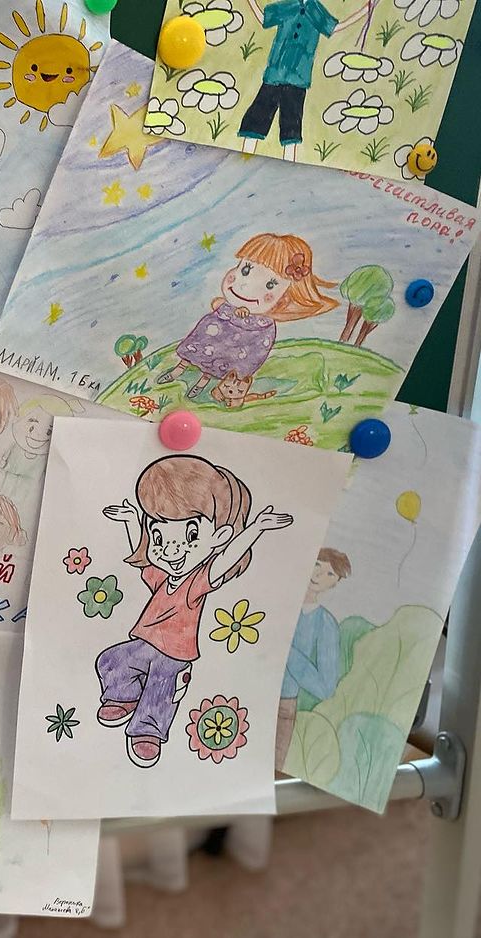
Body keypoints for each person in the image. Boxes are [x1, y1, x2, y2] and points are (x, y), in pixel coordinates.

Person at [98, 455, 293, 768]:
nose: (170, 550)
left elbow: (225, 561)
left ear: (219, 537)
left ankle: (148, 732)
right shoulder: (162, 578)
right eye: (159, 537)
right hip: (145, 644)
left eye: (189, 536)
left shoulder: (196, 583)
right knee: (111, 660)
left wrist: (255, 529)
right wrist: (131, 520)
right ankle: (124, 697)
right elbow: (143, 555)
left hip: (175, 655)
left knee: (160, 688)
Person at [157, 233, 337, 400]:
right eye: (245, 269)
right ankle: (177, 370)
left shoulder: (264, 325)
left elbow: (255, 345)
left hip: (235, 343)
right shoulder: (232, 303)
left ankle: (201, 383)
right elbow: (218, 305)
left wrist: (243, 316)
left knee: (216, 361)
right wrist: (226, 307)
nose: (245, 285)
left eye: (270, 284)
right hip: (213, 331)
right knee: (198, 346)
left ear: (285, 296)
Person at [238, 0, 371, 161]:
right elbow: (263, 18)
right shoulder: (288, 6)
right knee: (254, 124)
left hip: (298, 80)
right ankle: (243, 160)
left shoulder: (315, 9)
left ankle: (289, 166)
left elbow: (335, 27)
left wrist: (365, 10)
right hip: (274, 75)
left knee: (291, 131)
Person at [277, 548, 350, 768]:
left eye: (330, 573)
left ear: (335, 583)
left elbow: (325, 688)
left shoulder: (326, 623)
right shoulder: (279, 600)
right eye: (317, 564)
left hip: (283, 706)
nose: (318, 575)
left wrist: (287, 651)